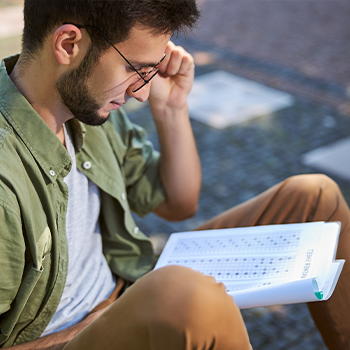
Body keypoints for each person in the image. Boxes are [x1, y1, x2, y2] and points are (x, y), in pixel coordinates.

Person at [0, 1, 348, 350]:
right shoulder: (5, 181)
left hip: (127, 291)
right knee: (188, 297)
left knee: (314, 197)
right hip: (69, 336)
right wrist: (98, 323)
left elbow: (177, 203)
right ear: (68, 45)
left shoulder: (89, 107)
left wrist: (171, 108)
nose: (141, 91)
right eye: (134, 69)